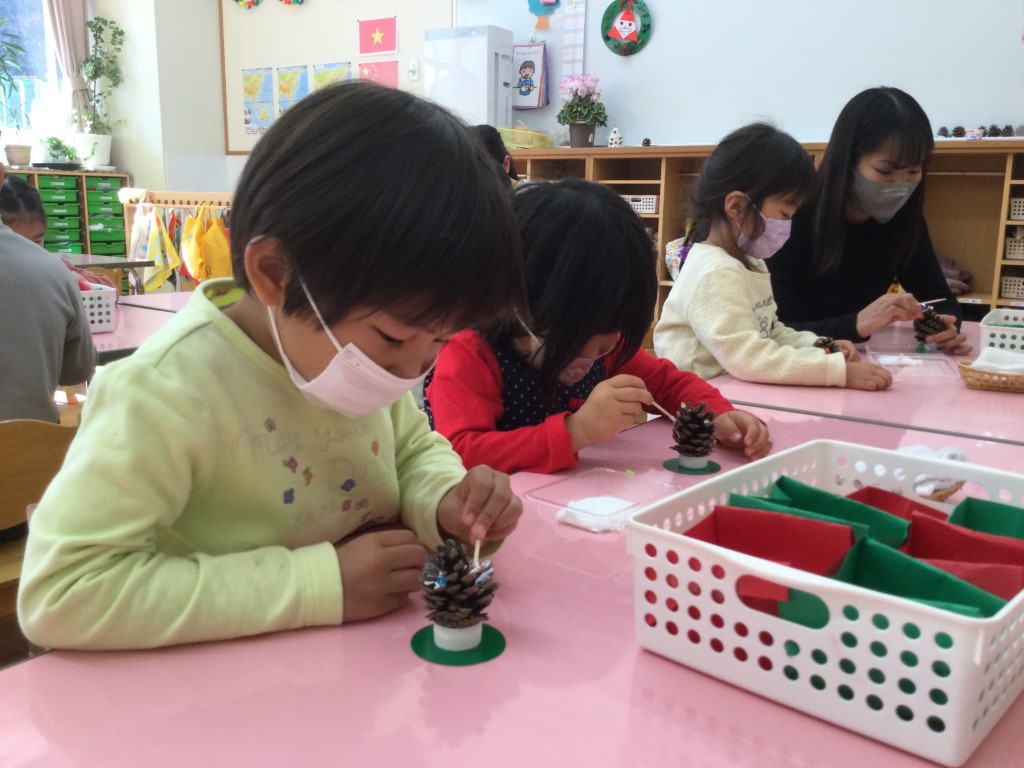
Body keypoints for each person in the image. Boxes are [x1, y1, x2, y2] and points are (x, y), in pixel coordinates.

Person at [18, 81, 527, 650]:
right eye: (393, 338)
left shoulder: (360, 360)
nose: (412, 371)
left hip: (354, 667)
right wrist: (317, 585)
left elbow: (408, 451)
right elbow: (62, 592)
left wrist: (446, 502)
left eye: (440, 341)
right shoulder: (165, 391)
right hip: (214, 687)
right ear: (274, 274)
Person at [424, 178, 771, 475]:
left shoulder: (606, 348)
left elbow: (668, 383)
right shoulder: (471, 352)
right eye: (578, 338)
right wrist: (575, 431)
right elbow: (461, 454)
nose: (594, 355)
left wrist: (718, 414)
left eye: (608, 339)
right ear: (521, 301)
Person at [653, 123, 893, 391]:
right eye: (785, 214)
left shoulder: (751, 262)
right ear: (737, 206)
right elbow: (749, 357)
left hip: (733, 392)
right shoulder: (714, 271)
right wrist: (837, 372)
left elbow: (770, 331)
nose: (787, 226)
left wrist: (818, 346)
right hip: (691, 405)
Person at [768, 86, 971, 354]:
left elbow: (938, 298)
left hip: (859, 360)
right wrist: (856, 325)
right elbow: (776, 330)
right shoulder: (792, 217)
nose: (900, 185)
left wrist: (945, 325)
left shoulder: (903, 220)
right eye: (885, 171)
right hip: (800, 361)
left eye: (913, 171)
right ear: (848, 160)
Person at [0, 167, 97, 423]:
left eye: (37, 241)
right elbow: (77, 371)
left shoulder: (59, 270)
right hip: (37, 442)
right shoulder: (54, 271)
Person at [0, 174, 116, 290]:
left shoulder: (54, 265)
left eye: (36, 242)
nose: (31, 252)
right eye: (18, 244)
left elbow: (110, 287)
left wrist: (82, 280)